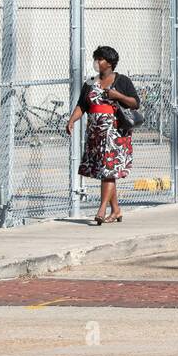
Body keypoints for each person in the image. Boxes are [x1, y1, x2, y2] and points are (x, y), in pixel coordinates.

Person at [67, 45, 139, 226]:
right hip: (95, 133)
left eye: (100, 59)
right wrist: (72, 120)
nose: (97, 62)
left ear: (110, 63)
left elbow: (135, 103)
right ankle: (116, 210)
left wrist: (117, 95)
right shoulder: (90, 83)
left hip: (115, 133)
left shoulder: (122, 80)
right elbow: (82, 105)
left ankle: (101, 210)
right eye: (96, 59)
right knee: (106, 171)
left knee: (108, 171)